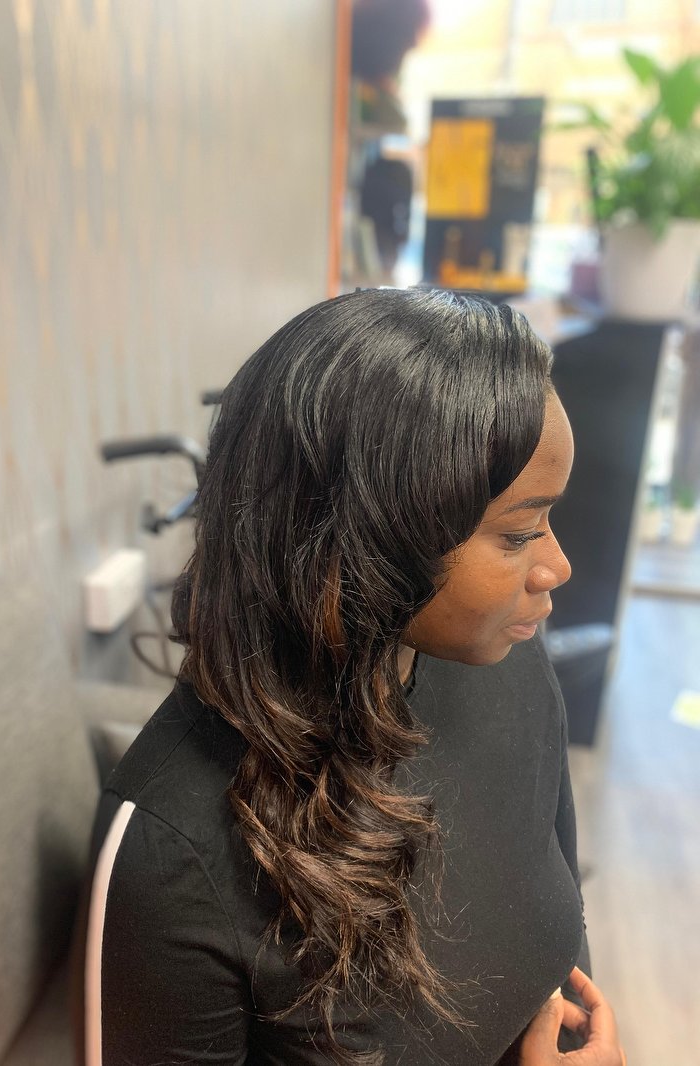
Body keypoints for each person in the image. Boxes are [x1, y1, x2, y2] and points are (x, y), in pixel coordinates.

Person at [75, 289, 626, 1065]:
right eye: (517, 534)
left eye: (547, 518)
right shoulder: (173, 852)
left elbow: (553, 922)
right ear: (369, 540)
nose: (556, 566)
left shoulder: (509, 666)